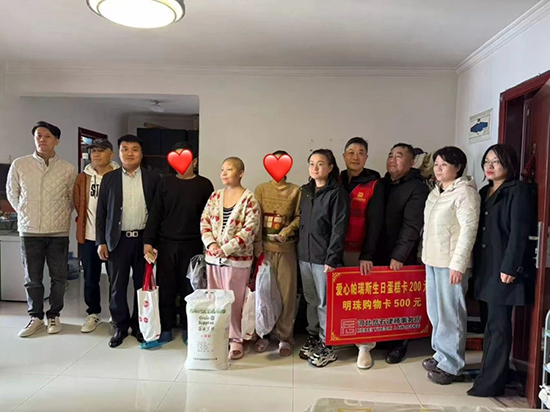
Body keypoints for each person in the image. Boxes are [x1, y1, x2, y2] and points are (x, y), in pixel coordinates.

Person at [468, 144, 535, 397]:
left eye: (496, 161)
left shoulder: (518, 191)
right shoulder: (485, 191)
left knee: (498, 326)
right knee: (488, 324)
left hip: (504, 269)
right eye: (487, 161)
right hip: (485, 268)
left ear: (509, 164)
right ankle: (492, 374)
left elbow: (519, 233)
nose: (490, 166)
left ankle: (490, 384)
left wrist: (510, 267)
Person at [7, 121, 77, 337]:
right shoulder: (20, 164)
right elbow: (12, 193)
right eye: (38, 136)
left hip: (58, 231)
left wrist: (61, 214)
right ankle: (35, 317)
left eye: (47, 136)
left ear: (56, 141)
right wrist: (25, 212)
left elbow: (72, 198)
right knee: (32, 278)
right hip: (30, 231)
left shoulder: (67, 168)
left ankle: (54, 315)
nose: (42, 140)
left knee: (59, 277)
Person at [142, 142, 214, 349]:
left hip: (193, 245)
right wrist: (148, 241)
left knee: (190, 289)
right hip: (166, 244)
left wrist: (209, 244)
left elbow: (210, 217)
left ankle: (188, 329)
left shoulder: (204, 185)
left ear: (195, 161)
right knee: (166, 288)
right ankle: (165, 328)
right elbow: (155, 214)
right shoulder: (165, 183)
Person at [421, 146, 480, 385]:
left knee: (451, 314)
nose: (438, 168)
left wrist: (459, 264)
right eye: (436, 164)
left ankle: (452, 365)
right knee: (436, 312)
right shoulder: (436, 192)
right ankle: (441, 354)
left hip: (451, 264)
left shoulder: (464, 192)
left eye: (444, 164)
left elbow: (468, 229)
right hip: (432, 259)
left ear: (458, 167)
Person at [96, 134, 160, 348]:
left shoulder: (152, 178)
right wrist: (101, 241)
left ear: (141, 153)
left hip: (143, 241)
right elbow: (101, 213)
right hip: (117, 241)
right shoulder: (109, 179)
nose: (130, 153)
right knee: (117, 286)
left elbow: (157, 213)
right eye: (125, 149)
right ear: (118, 153)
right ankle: (120, 326)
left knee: (142, 285)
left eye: (134, 149)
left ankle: (140, 325)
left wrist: (153, 241)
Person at [373, 143, 430, 364]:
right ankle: (382, 338)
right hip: (378, 251)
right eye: (390, 155)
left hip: (401, 255)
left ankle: (399, 344)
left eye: (399, 156)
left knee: (399, 300)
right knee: (380, 299)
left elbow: (412, 225)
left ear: (411, 162)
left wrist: (399, 255)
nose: (392, 160)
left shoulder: (417, 188)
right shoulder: (381, 184)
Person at [200, 157, 261, 360]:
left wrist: (226, 249)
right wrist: (211, 245)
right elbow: (204, 221)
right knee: (215, 298)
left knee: (235, 300)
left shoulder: (249, 199)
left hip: (237, 260)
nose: (224, 173)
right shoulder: (215, 196)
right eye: (222, 169)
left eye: (229, 169)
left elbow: (250, 230)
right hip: (213, 258)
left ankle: (236, 338)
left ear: (241, 173)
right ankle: (218, 334)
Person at [298, 149, 349, 368]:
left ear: (330, 168)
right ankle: (313, 337)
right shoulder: (305, 191)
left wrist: (332, 258)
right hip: (304, 255)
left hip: (323, 258)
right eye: (312, 163)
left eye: (320, 164)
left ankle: (328, 345)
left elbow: (339, 228)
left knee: (324, 302)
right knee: (310, 299)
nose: (315, 168)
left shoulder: (337, 193)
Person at [339, 137, 383, 370]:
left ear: (366, 157)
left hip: (358, 252)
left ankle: (364, 346)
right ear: (343, 156)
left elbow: (375, 223)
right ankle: (337, 338)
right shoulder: (335, 179)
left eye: (360, 152)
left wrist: (368, 254)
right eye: (351, 152)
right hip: (333, 250)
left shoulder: (374, 183)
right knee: (336, 298)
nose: (355, 157)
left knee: (361, 299)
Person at [254, 150, 301, 356]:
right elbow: (255, 217)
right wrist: (257, 245)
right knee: (264, 292)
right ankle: (264, 333)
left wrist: (287, 231)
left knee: (286, 295)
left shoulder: (296, 191)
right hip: (264, 249)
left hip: (286, 249)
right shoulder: (261, 189)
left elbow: (299, 216)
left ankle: (284, 337)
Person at [74, 138, 119, 333]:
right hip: (89, 237)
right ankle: (93, 313)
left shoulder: (119, 176)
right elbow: (78, 203)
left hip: (113, 238)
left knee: (115, 279)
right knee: (90, 278)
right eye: (93, 151)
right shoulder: (83, 177)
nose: (96, 154)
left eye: (101, 150)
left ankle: (116, 315)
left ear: (111, 154)